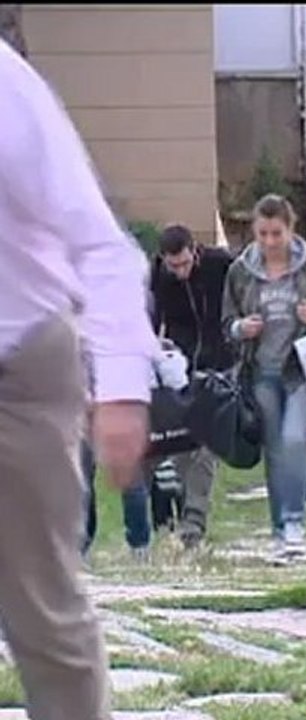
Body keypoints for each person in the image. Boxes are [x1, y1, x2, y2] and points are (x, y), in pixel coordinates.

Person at [1, 37, 158, 720]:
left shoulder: (8, 91)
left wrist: (122, 388)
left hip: (18, 366)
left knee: (41, 606)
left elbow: (99, 244)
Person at [222, 194, 306, 565]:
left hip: (300, 369)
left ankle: (294, 523)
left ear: (291, 229)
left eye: (277, 233)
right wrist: (242, 328)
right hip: (262, 372)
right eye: (263, 234)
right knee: (274, 448)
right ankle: (279, 530)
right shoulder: (241, 270)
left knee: (294, 440)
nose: (270, 242)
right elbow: (227, 323)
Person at [150, 224, 233, 548]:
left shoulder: (219, 265)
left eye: (184, 264)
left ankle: (194, 522)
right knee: (184, 444)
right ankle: (179, 515)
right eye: (174, 267)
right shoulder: (158, 275)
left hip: (220, 361)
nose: (180, 272)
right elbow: (152, 318)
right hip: (181, 366)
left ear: (194, 251)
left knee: (206, 446)